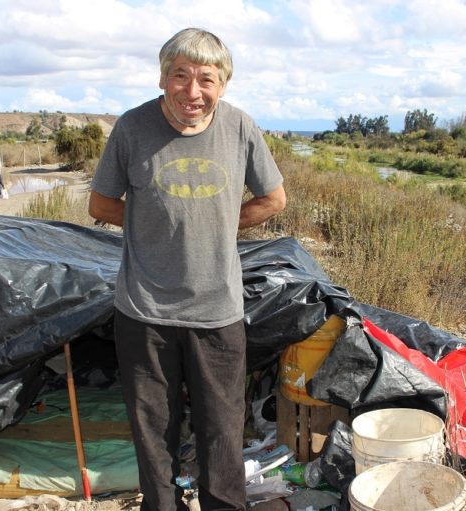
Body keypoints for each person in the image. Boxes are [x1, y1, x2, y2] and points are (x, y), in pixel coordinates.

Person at [89, 27, 286, 511]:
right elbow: (101, 203)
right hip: (144, 310)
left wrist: (220, 225)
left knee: (221, 429)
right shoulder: (132, 128)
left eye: (206, 79)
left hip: (217, 312)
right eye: (180, 76)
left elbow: (273, 198)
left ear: (223, 85)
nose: (192, 91)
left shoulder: (240, 128)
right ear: (162, 78)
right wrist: (152, 225)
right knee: (154, 431)